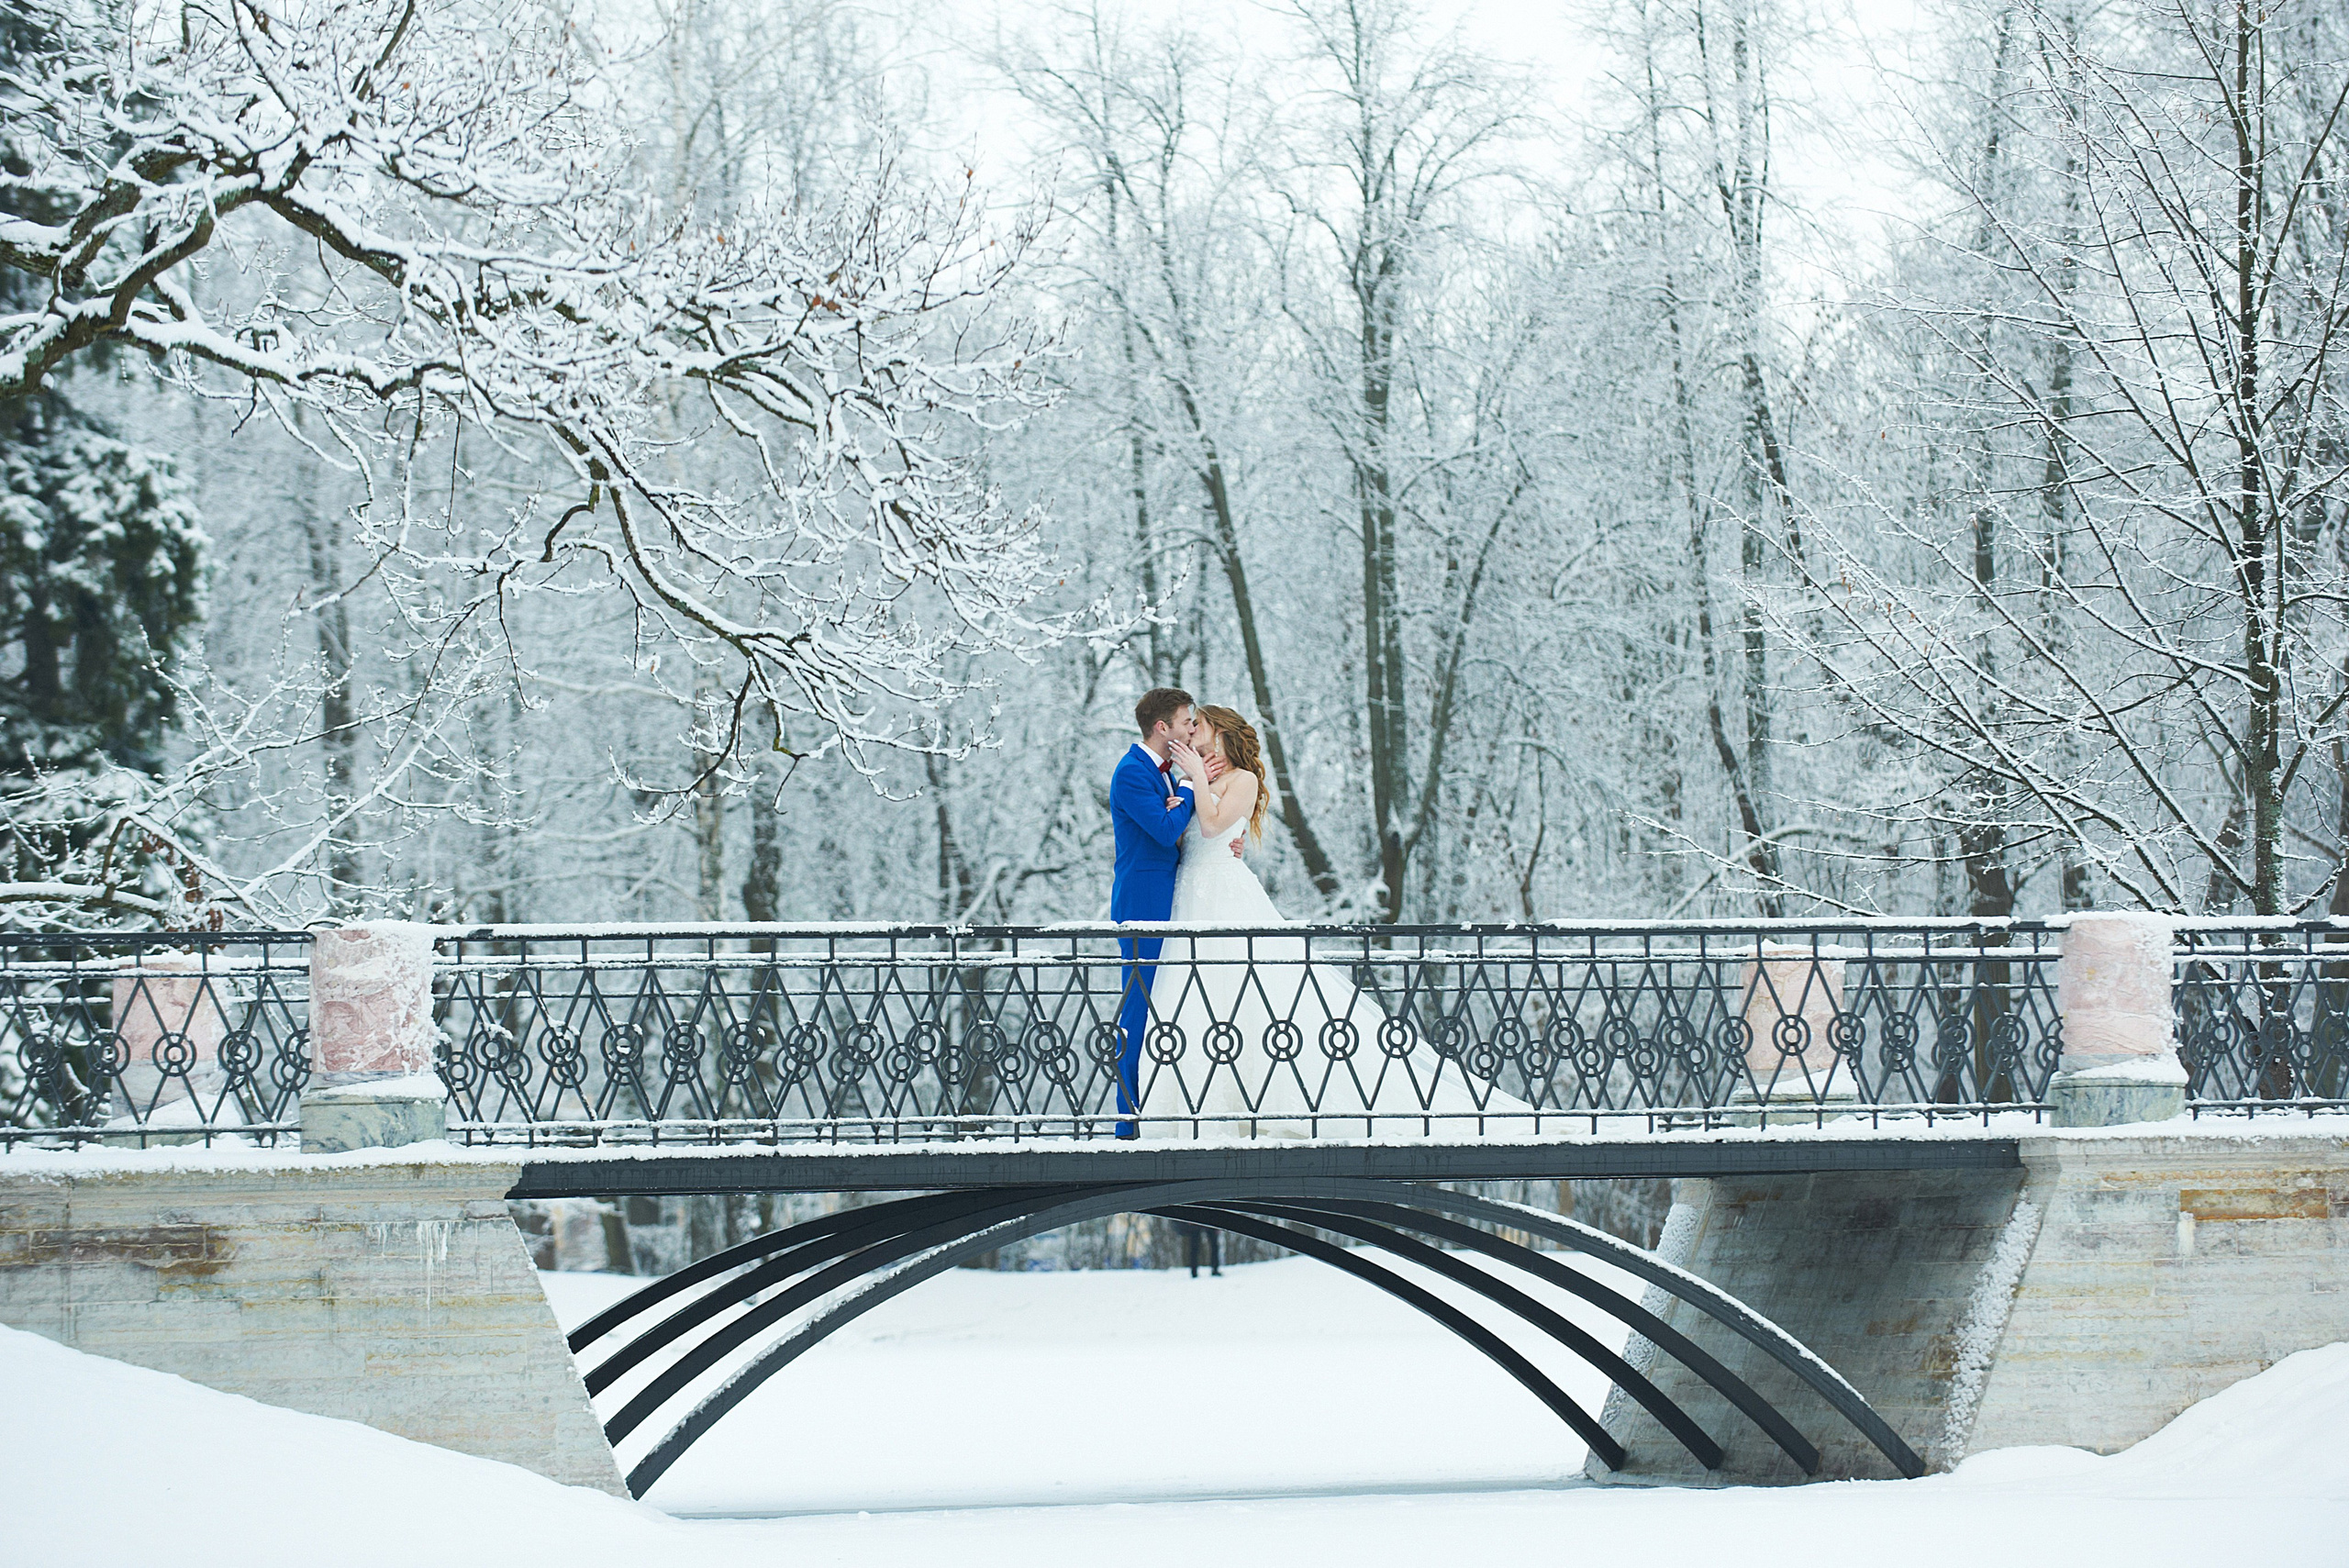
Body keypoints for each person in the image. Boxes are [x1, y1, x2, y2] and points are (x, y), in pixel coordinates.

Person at [1134, 704, 1529, 1139]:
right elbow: (1183, 826)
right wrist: (1189, 788)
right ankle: (1195, 1108)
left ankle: (1270, 1102)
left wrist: (1198, 784)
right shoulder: (1195, 776)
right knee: (1197, 996)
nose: (1193, 733)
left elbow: (1211, 828)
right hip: (1189, 894)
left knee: (1249, 990)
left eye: (1200, 725)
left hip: (1224, 895)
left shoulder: (1242, 780)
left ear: (1220, 732)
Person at [1105, 687, 1219, 1138]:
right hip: (1143, 901)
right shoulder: (1132, 773)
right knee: (1139, 1004)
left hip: (1169, 897)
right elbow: (1165, 828)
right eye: (1186, 721)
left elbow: (1176, 827)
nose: (1192, 728)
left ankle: (1159, 1104)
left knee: (1163, 1001)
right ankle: (1127, 1118)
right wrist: (1190, 789)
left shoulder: (1162, 773)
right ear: (1162, 728)